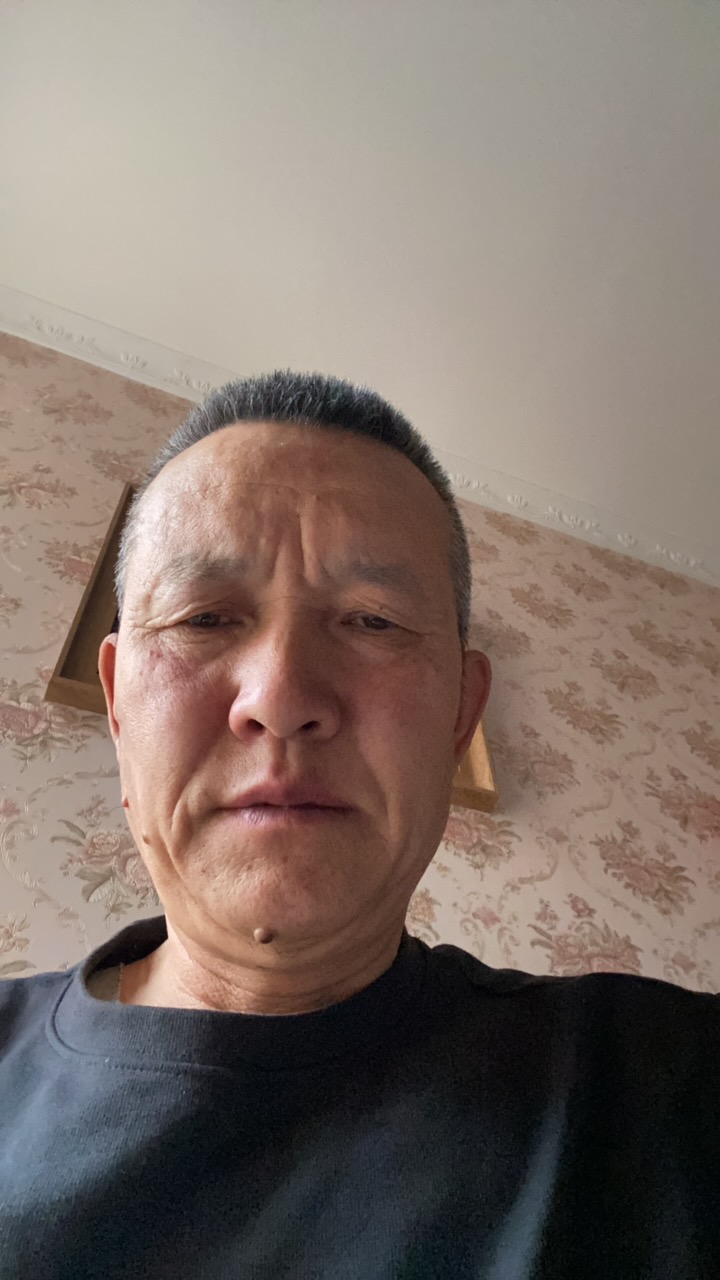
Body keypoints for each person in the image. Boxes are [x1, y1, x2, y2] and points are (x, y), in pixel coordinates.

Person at [0, 371, 718, 1280]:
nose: (280, 697)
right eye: (204, 617)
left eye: (373, 621)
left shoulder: (664, 1085)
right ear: (116, 704)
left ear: (460, 718)